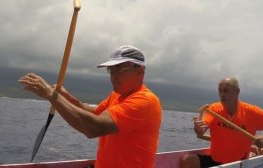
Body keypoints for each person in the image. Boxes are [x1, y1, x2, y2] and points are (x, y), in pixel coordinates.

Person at [18, 45, 162, 168]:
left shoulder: (145, 101)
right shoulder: (117, 96)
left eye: (120, 69)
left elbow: (93, 127)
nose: (114, 75)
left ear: (140, 71)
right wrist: (64, 96)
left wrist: (51, 94)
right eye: (111, 70)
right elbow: (93, 113)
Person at [180, 77, 263, 168]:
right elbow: (202, 128)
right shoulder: (214, 109)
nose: (222, 94)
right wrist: (199, 129)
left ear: (237, 91)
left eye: (226, 91)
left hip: (239, 164)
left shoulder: (252, 112)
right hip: (214, 161)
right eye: (220, 91)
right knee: (188, 160)